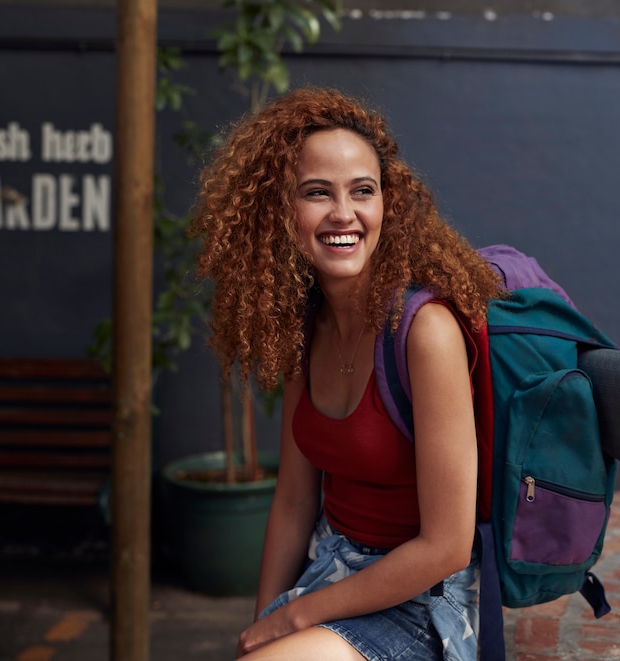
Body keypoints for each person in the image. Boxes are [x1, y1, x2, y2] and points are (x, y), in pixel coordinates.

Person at [190, 86, 502, 661]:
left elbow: (446, 547)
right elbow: (292, 500)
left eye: (363, 191)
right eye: (317, 193)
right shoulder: (302, 328)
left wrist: (295, 617)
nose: (344, 214)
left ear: (389, 203)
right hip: (333, 572)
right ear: (282, 211)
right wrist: (263, 623)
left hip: (422, 601)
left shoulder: (424, 332)